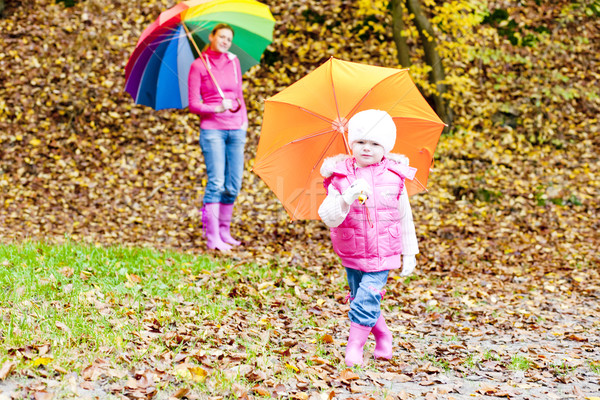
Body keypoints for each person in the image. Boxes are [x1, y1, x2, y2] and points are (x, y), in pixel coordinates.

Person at [318, 109, 419, 367]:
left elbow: (404, 215)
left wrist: (410, 252)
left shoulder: (395, 176)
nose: (367, 148)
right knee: (361, 296)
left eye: (375, 143)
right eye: (361, 141)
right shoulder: (339, 177)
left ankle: (355, 347)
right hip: (352, 250)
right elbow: (327, 216)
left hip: (384, 250)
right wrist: (345, 197)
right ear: (352, 143)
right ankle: (384, 335)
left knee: (367, 297)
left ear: (386, 147)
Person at [188, 23, 248, 251]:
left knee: (233, 185)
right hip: (212, 130)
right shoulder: (198, 65)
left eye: (228, 39)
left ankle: (225, 231)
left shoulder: (234, 62)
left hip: (236, 129)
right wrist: (216, 108)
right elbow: (194, 105)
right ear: (211, 37)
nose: (225, 41)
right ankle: (212, 236)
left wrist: (244, 121)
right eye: (221, 36)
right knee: (216, 183)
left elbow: (239, 94)